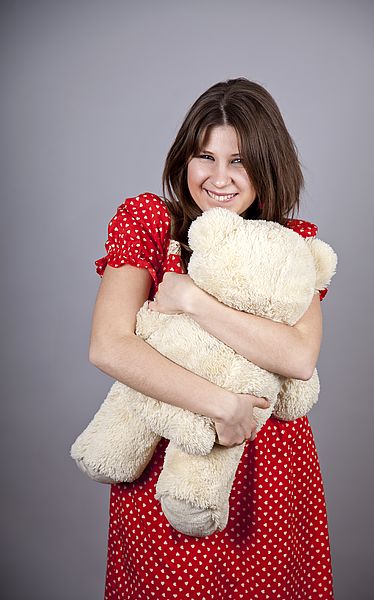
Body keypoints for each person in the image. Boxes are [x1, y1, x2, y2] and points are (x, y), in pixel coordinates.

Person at [90, 77, 334, 599]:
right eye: (205, 157)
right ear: (184, 160)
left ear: (268, 166)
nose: (219, 177)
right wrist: (221, 405)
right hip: (171, 451)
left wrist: (194, 301)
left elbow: (299, 355)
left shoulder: (291, 245)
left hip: (268, 466)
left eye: (239, 161)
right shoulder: (151, 224)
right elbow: (109, 345)